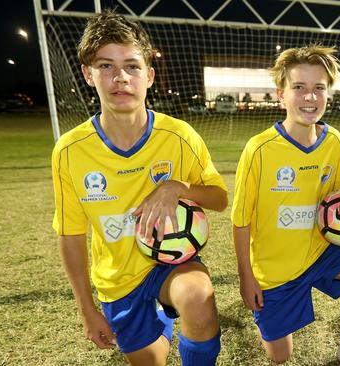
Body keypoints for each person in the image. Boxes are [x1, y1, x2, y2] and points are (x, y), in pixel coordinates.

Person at [50, 10, 228, 366]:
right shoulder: (70, 151)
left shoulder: (178, 136)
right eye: (105, 66)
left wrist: (177, 187)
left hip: (172, 264)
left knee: (197, 294)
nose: (120, 78)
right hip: (118, 279)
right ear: (88, 74)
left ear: (149, 75)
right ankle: (158, 320)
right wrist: (87, 309)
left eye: (132, 66)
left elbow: (220, 198)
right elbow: (71, 236)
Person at [231, 44, 340, 366]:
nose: (310, 97)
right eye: (299, 87)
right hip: (275, 269)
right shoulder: (260, 149)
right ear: (281, 94)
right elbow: (240, 220)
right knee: (280, 356)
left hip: (322, 252)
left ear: (328, 93)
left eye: (318, 88)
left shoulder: (332, 140)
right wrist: (246, 277)